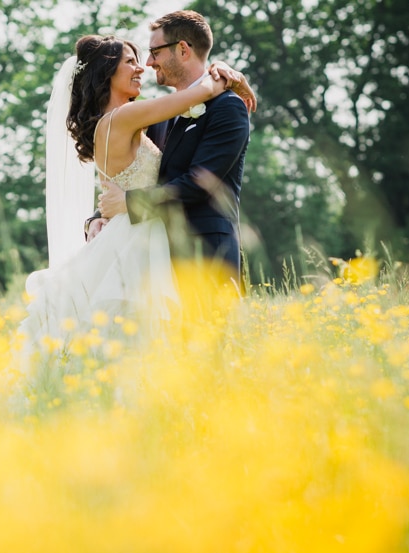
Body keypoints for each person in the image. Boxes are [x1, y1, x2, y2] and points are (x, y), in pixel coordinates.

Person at [18, 32, 254, 352]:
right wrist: (223, 73)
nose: (142, 66)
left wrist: (100, 216)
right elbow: (201, 93)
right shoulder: (127, 118)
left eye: (146, 56)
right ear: (106, 73)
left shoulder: (127, 119)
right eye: (130, 61)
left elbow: (122, 187)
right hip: (141, 242)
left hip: (145, 237)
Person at [98, 10, 253, 283]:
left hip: (207, 254)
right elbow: (138, 174)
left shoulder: (228, 107)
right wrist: (99, 217)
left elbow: (199, 183)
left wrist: (127, 202)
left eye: (155, 52)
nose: (148, 62)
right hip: (154, 259)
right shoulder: (160, 114)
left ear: (182, 49)